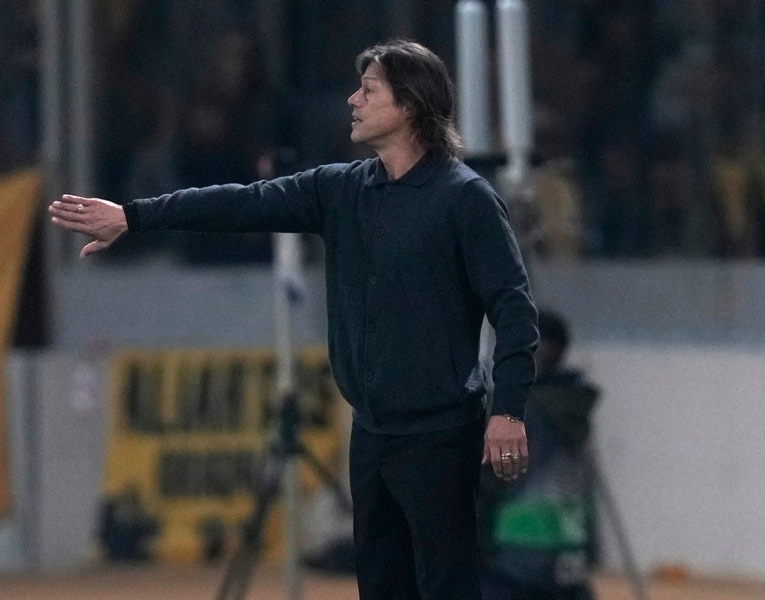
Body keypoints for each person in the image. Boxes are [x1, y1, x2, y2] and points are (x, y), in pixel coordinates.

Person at [50, 39, 538, 600]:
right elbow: (242, 203)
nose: (352, 100)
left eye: (369, 89)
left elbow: (513, 308)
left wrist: (508, 410)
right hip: (371, 433)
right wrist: (133, 217)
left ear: (409, 105)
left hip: (442, 437)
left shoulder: (466, 199)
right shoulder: (342, 189)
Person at [478, 309, 598, 600]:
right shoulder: (574, 405)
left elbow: (491, 481)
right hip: (567, 557)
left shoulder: (519, 411)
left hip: (513, 555)